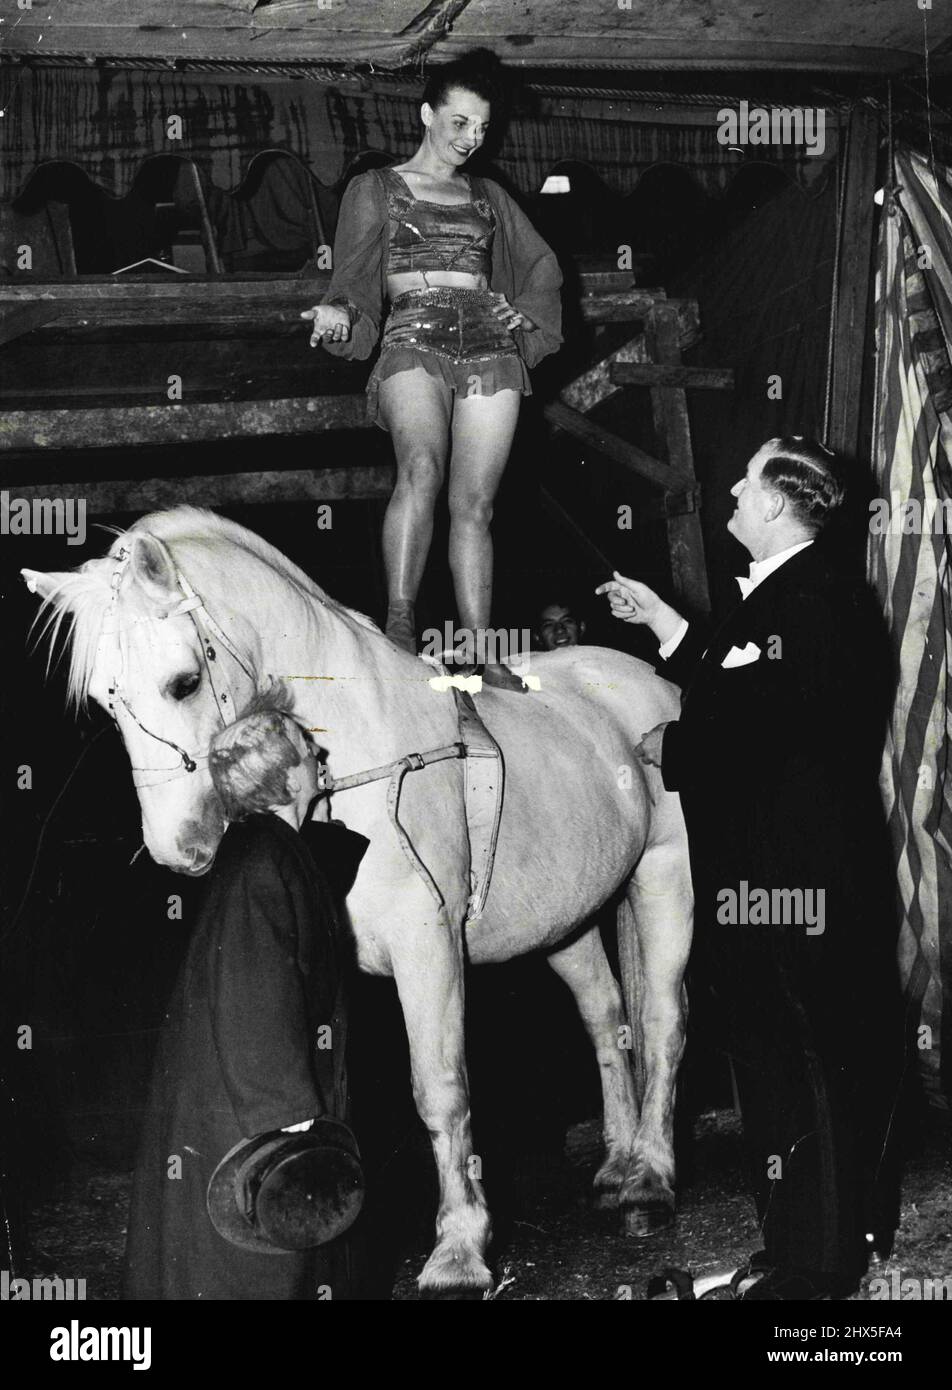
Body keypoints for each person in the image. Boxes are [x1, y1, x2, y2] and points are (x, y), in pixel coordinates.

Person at [598, 436, 905, 1300]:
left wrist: (676, 745)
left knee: (810, 1061)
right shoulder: (786, 598)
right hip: (761, 885)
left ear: (775, 505)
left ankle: (821, 1267)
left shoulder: (822, 598)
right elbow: (749, 679)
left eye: (745, 479)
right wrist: (663, 622)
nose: (730, 489)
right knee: (773, 1062)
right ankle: (795, 1246)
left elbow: (791, 725)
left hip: (796, 886)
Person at [301, 48, 562, 692]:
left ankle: (483, 647)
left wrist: (520, 312)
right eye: (459, 123)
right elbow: (354, 282)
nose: (472, 139)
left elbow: (541, 267)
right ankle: (399, 622)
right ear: (426, 115)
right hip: (412, 333)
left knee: (475, 503)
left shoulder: (490, 195)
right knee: (421, 467)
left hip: (486, 343)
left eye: (482, 127)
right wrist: (337, 313)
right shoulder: (375, 188)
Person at [122, 693, 368, 1300]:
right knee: (253, 1267)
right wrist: (288, 1117)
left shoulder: (267, 850)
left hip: (236, 1100)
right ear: (285, 777)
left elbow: (320, 882)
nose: (321, 755)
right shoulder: (262, 863)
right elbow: (254, 992)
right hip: (247, 1112)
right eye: (309, 752)